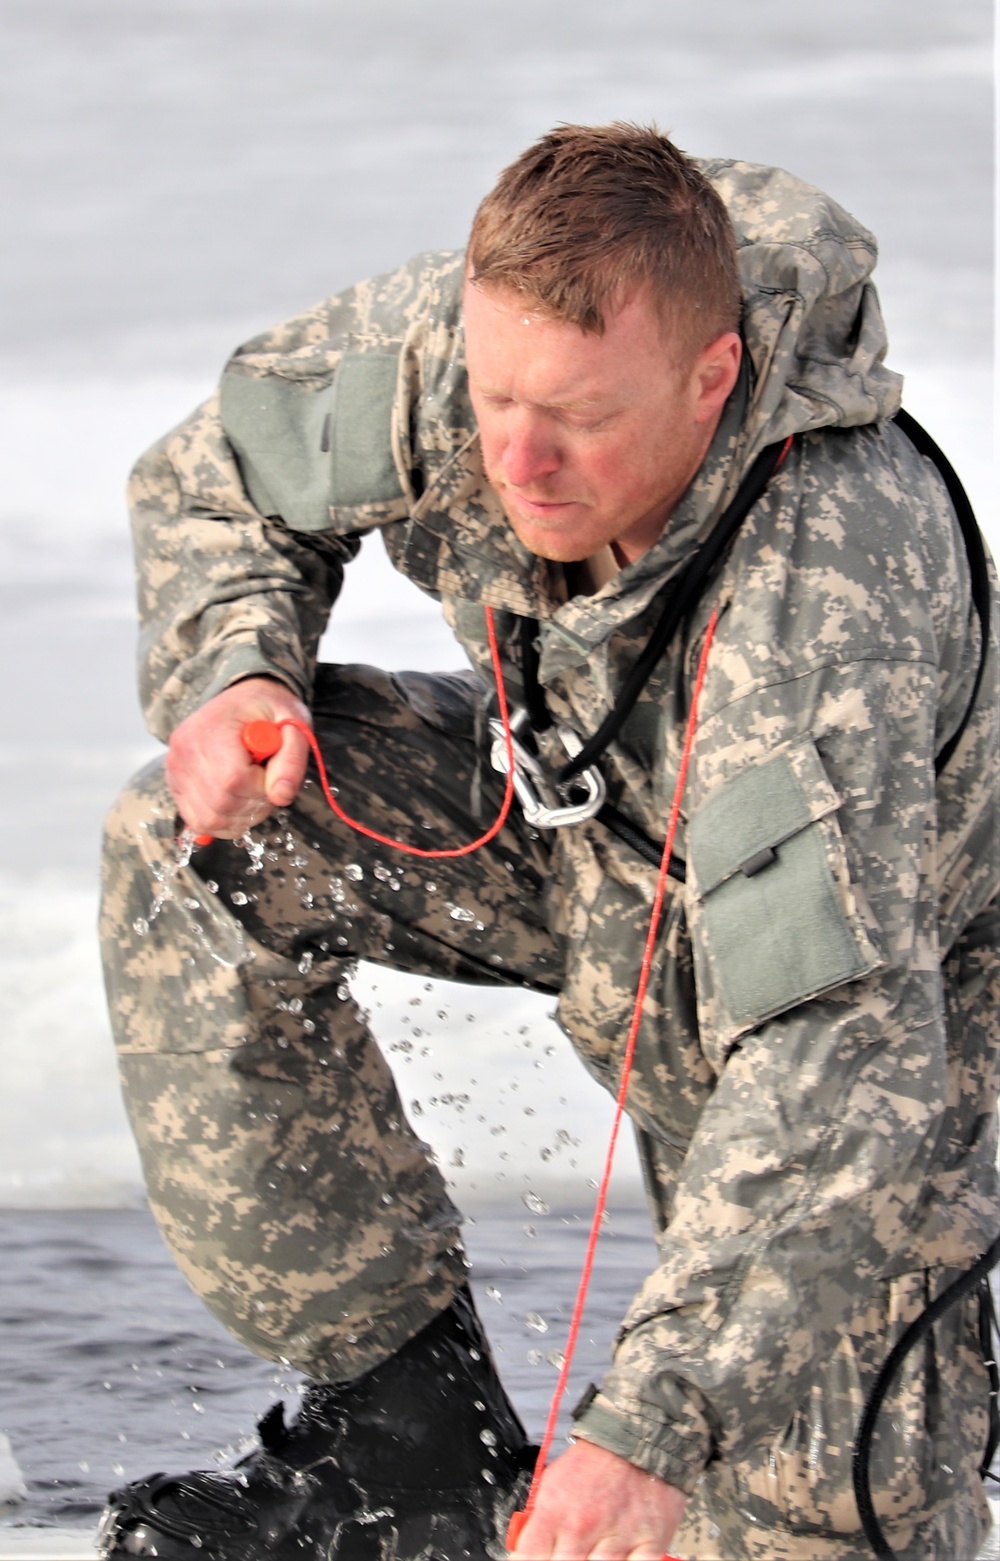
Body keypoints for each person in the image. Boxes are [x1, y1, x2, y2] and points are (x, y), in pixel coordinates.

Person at [97, 124, 999, 1561]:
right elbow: (221, 467)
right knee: (189, 841)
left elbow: (839, 1057)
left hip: (862, 988)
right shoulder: (477, 355)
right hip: (579, 815)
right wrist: (235, 674)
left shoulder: (825, 586)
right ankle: (408, 1439)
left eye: (576, 418)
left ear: (713, 382)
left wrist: (648, 1428)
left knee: (800, 1527)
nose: (515, 457)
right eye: (498, 395)